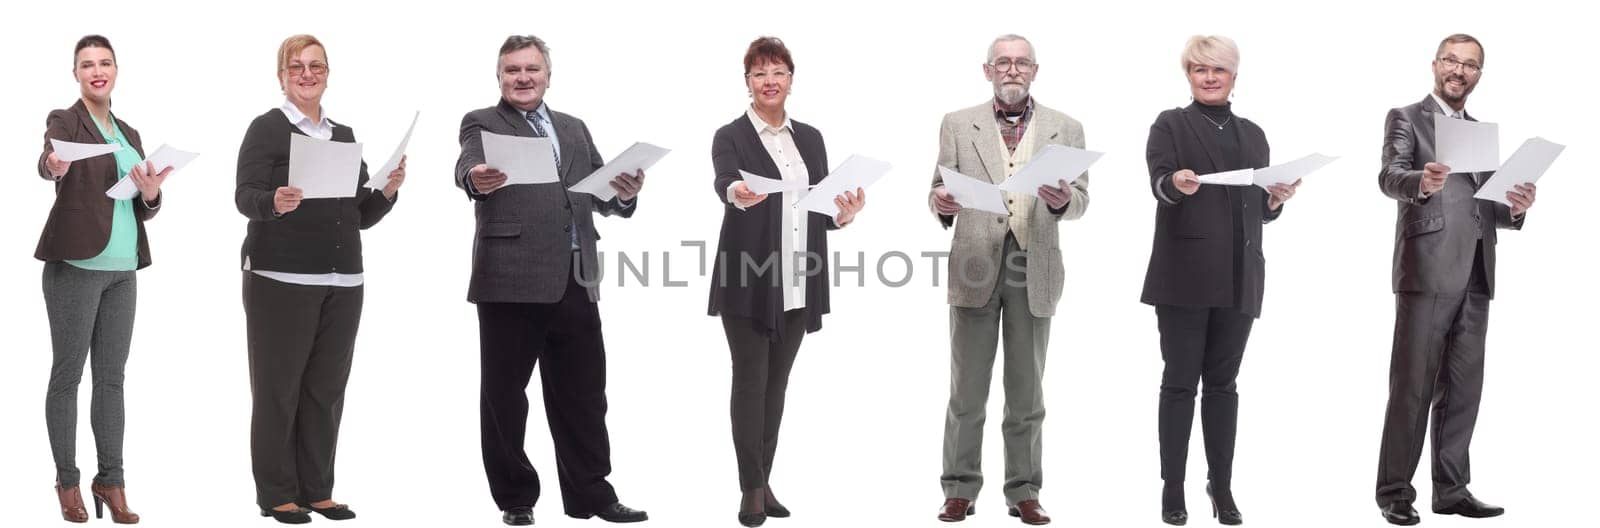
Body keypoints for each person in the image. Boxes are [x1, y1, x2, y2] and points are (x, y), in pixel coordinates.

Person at [454, 34, 649, 527]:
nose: (522, 78)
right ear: (499, 77)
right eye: (512, 70)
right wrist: (475, 177)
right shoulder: (482, 121)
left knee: (584, 393)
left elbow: (600, 192)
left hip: (575, 276)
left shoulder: (573, 127)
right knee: (505, 394)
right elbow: (467, 167)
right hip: (510, 277)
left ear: (547, 74)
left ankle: (591, 495)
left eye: (531, 69)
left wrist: (624, 191)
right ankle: (516, 498)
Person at [235, 34, 404, 524]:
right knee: (278, 389)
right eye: (296, 67)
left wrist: (388, 190)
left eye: (316, 66)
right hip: (280, 278)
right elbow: (245, 195)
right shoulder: (266, 129)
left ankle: (318, 489)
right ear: (281, 75)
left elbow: (359, 214)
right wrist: (274, 202)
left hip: (343, 280)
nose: (307, 74)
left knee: (326, 390)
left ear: (328, 72)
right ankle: (277, 493)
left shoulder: (344, 135)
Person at [1139, 35, 1301, 526]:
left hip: (1240, 275)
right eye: (1199, 70)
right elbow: (1158, 181)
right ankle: (1172, 487)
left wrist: (1275, 201)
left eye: (1219, 70)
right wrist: (1175, 184)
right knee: (1180, 383)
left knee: (1224, 385)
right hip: (1185, 275)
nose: (1209, 78)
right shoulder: (1171, 124)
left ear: (1234, 76)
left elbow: (1257, 210)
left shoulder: (1253, 134)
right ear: (1188, 75)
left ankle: (1222, 485)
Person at [1373, 33, 1534, 526]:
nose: (1458, 70)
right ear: (1435, 64)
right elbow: (1388, 176)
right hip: (1426, 269)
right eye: (1451, 61)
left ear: (1478, 75)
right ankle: (1395, 492)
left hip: (1477, 269)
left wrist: (1515, 207)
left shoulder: (1480, 133)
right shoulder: (1407, 117)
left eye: (1469, 65)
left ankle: (1452, 489)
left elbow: (1484, 204)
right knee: (1413, 386)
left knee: (1463, 388)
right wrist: (1419, 181)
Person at [929, 34, 1088, 526]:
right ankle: (959, 488)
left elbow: (1081, 199)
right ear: (988, 71)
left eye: (1021, 63)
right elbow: (937, 188)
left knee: (1026, 391)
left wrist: (1064, 200)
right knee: (967, 390)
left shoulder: (1067, 127)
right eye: (1003, 63)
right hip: (974, 264)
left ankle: (1023, 491)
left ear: (1035, 71)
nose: (1012, 70)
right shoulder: (957, 124)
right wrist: (941, 202)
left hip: (1034, 266)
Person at [709, 35, 866, 528]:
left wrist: (843, 215)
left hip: (800, 277)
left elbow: (818, 208)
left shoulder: (812, 138)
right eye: (760, 74)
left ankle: (765, 475)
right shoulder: (730, 135)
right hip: (748, 279)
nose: (769, 81)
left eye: (778, 72)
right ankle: (751, 489)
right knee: (750, 383)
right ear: (747, 82)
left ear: (791, 80)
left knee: (776, 387)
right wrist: (736, 191)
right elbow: (723, 182)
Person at [38, 34, 169, 525]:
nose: (97, 70)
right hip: (75, 266)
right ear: (76, 74)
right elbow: (48, 161)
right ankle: (67, 482)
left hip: (122, 270)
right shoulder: (65, 120)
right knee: (67, 375)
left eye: (105, 63)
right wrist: (53, 165)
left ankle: (110, 480)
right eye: (87, 64)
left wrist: (151, 192)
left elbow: (144, 207)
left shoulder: (128, 132)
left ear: (116, 70)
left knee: (111, 380)